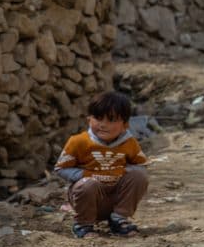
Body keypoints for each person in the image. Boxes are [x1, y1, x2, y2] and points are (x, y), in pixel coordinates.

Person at [54, 91, 149, 238]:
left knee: (139, 175)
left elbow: (141, 166)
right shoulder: (78, 142)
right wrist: (86, 175)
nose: (103, 125)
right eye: (98, 118)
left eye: (111, 120)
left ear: (125, 125)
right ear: (89, 119)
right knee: (88, 184)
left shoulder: (129, 143)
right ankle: (83, 224)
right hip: (88, 198)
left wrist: (119, 173)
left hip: (116, 199)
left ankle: (118, 219)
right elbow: (61, 168)